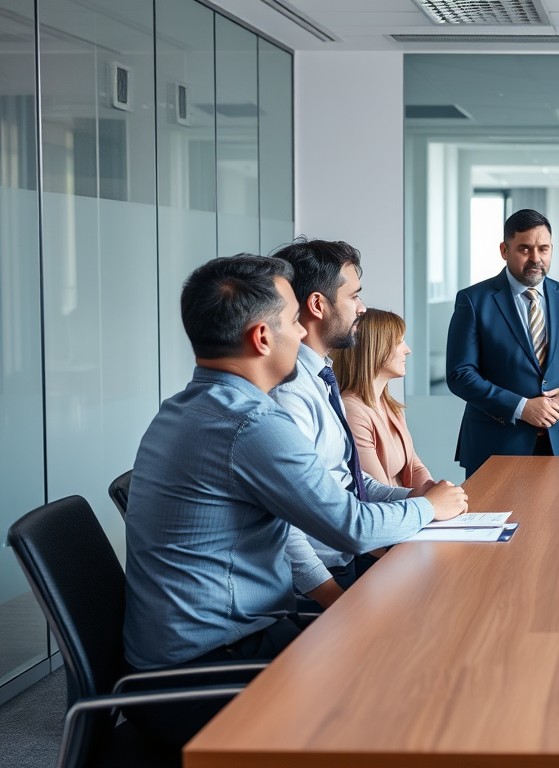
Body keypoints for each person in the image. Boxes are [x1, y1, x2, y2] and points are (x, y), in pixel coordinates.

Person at [122, 255, 467, 748]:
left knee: (410, 651)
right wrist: (429, 508)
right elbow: (352, 527)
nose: (304, 335)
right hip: (203, 676)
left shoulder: (188, 407)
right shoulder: (252, 425)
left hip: (204, 649)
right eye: (291, 323)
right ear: (262, 338)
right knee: (410, 689)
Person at [271, 238, 460, 607]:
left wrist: (420, 497)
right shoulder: (290, 396)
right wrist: (335, 600)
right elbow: (286, 526)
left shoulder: (321, 379)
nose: (362, 308)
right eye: (354, 296)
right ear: (317, 305)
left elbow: (351, 482)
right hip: (320, 581)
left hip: (342, 563)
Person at [445, 209, 559, 477]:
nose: (536, 258)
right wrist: (521, 407)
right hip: (495, 447)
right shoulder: (474, 300)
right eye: (525, 249)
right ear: (504, 250)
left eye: (543, 249)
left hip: (558, 444)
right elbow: (460, 374)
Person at [331, 308, 432, 489]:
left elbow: (414, 466)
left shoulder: (390, 405)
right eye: (399, 342)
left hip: (409, 505)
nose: (407, 350)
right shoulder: (352, 411)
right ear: (375, 348)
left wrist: (438, 493)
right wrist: (432, 503)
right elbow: (379, 491)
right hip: (393, 509)